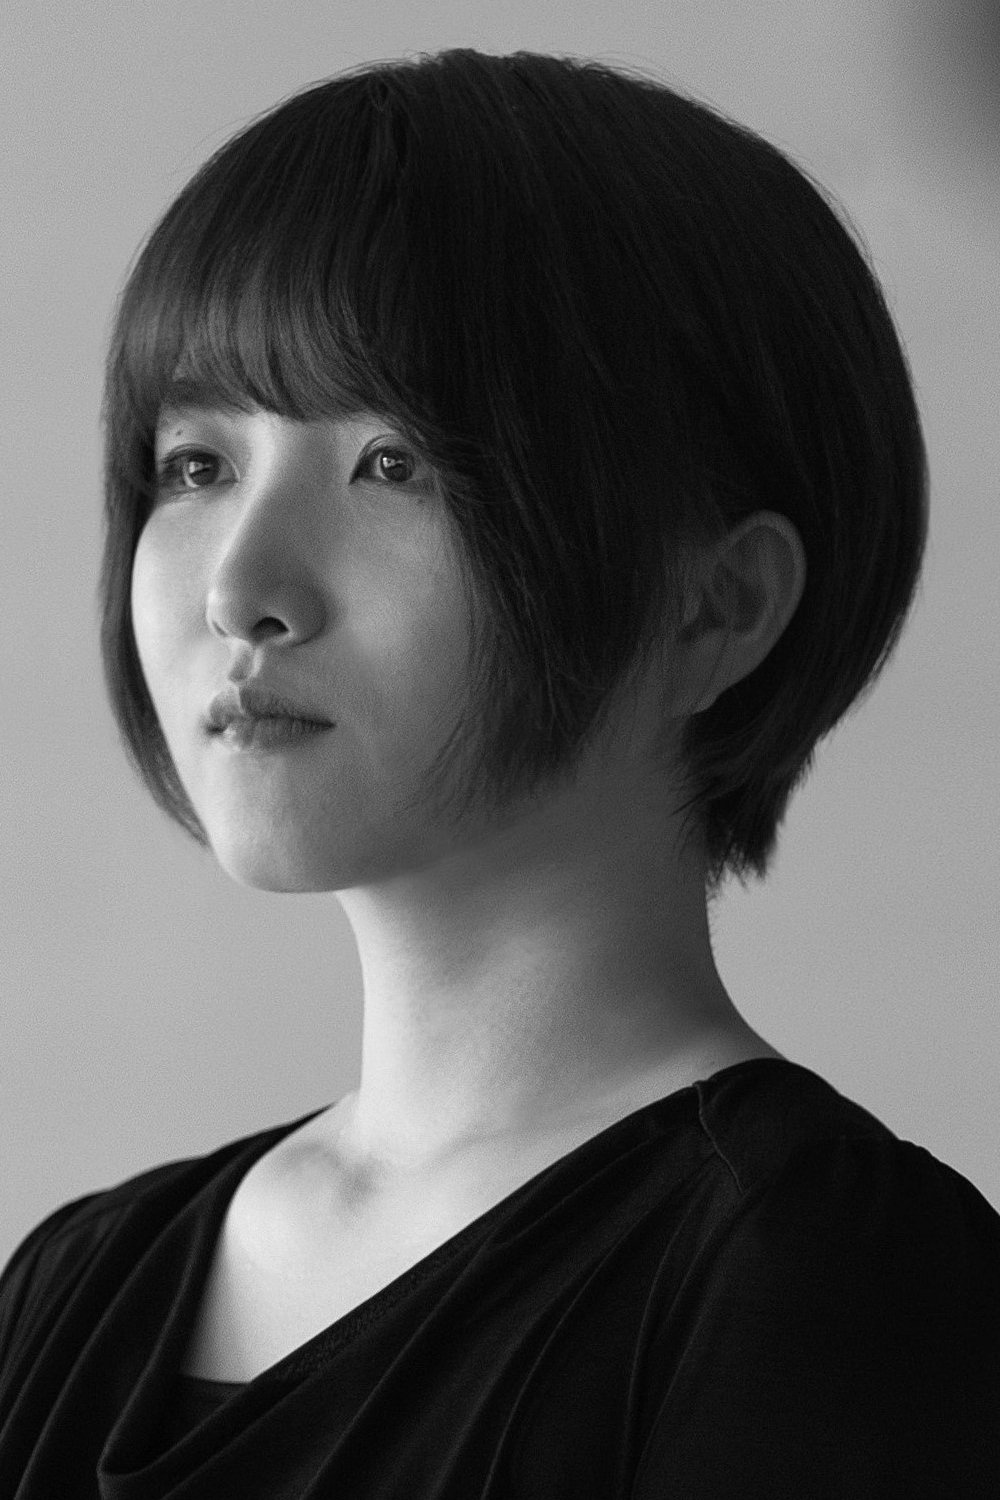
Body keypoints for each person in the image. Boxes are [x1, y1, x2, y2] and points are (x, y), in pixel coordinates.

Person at [1, 46, 997, 1498]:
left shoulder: (835, 1281)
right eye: (198, 465)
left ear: (714, 607)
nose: (240, 590)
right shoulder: (76, 1289)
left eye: (393, 463)